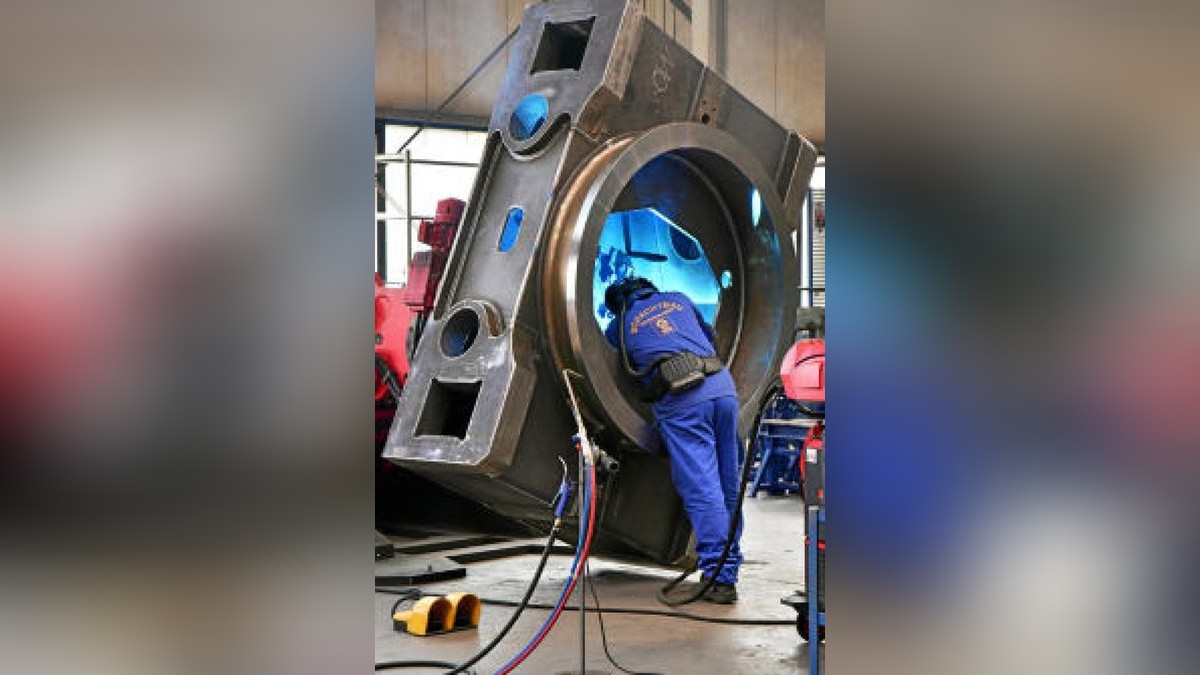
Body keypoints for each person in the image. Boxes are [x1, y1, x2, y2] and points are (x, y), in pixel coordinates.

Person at [603, 277, 743, 603]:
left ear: (618, 305)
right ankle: (728, 569)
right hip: (722, 388)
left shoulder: (620, 325)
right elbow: (709, 337)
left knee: (702, 488)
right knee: (728, 484)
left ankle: (719, 579)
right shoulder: (679, 298)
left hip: (684, 399)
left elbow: (616, 369)